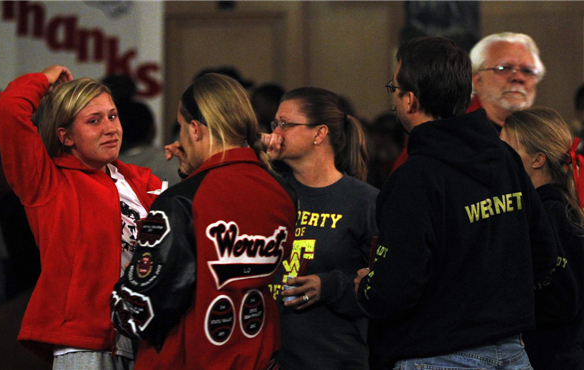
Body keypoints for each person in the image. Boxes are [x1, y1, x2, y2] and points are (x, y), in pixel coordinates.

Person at [355, 36, 557, 370]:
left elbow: (395, 288)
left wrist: (367, 288)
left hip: (437, 355)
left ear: (409, 100)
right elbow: (544, 254)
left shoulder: (415, 177)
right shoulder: (505, 158)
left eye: (394, 88)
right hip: (512, 353)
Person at [110, 73, 297, 370]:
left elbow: (138, 312)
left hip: (187, 359)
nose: (179, 139)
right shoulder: (281, 193)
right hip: (258, 356)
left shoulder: (183, 201)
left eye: (182, 129)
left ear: (195, 130)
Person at [0, 65, 163, 369]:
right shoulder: (47, 181)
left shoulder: (141, 180)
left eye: (112, 116)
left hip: (145, 339)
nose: (110, 128)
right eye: (94, 121)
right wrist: (44, 79)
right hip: (85, 343)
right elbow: (7, 110)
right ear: (66, 136)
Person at [262, 87, 378, 370]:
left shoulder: (365, 202)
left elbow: (383, 291)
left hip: (335, 359)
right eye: (275, 124)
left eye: (286, 124)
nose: (276, 133)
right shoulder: (269, 194)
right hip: (274, 360)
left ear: (319, 134)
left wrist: (329, 286)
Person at [501, 107, 584, 370]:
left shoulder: (548, 215)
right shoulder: (567, 208)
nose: (498, 157)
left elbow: (563, 297)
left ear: (537, 159)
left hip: (551, 357)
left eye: (507, 148)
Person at [391, 32, 545, 172]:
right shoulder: (448, 128)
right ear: (476, 80)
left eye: (528, 71)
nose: (518, 77)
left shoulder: (545, 136)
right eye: (504, 68)